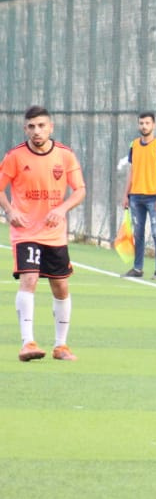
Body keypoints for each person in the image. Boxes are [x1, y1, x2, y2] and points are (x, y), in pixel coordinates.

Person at [0, 105, 87, 362]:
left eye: (41, 126)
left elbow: (80, 190)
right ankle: (27, 343)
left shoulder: (65, 155)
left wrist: (62, 209)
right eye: (31, 126)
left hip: (54, 233)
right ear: (25, 129)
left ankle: (61, 346)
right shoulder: (15, 156)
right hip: (25, 231)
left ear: (51, 127)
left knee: (60, 285)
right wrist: (9, 210)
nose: (36, 131)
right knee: (29, 278)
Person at [120, 112, 156, 280]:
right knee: (138, 233)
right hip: (136, 196)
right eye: (141, 123)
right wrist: (126, 194)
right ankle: (138, 268)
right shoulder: (134, 145)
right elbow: (131, 170)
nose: (144, 126)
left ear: (153, 125)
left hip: (153, 197)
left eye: (147, 123)